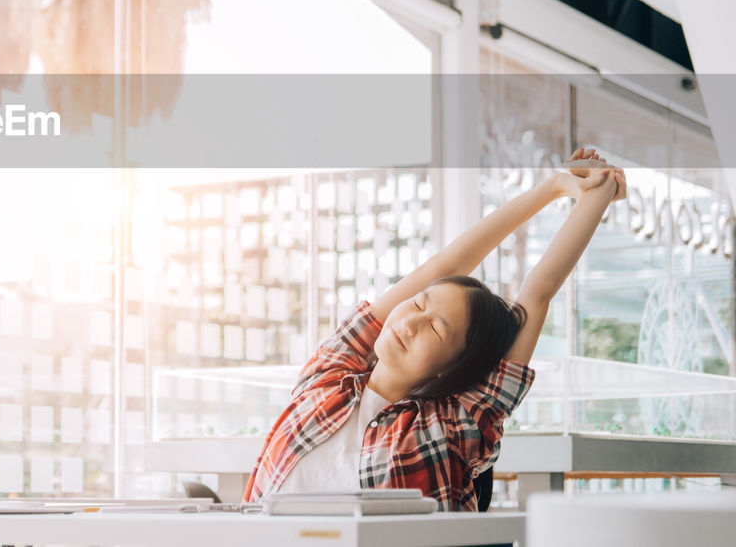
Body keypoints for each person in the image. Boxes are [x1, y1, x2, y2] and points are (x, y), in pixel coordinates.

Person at [243, 148, 627, 511]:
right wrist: (554, 186)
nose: (409, 322)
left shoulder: (449, 425)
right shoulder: (328, 378)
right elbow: (440, 266)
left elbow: (538, 291)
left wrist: (600, 190)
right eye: (417, 304)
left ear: (451, 368)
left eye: (437, 330)